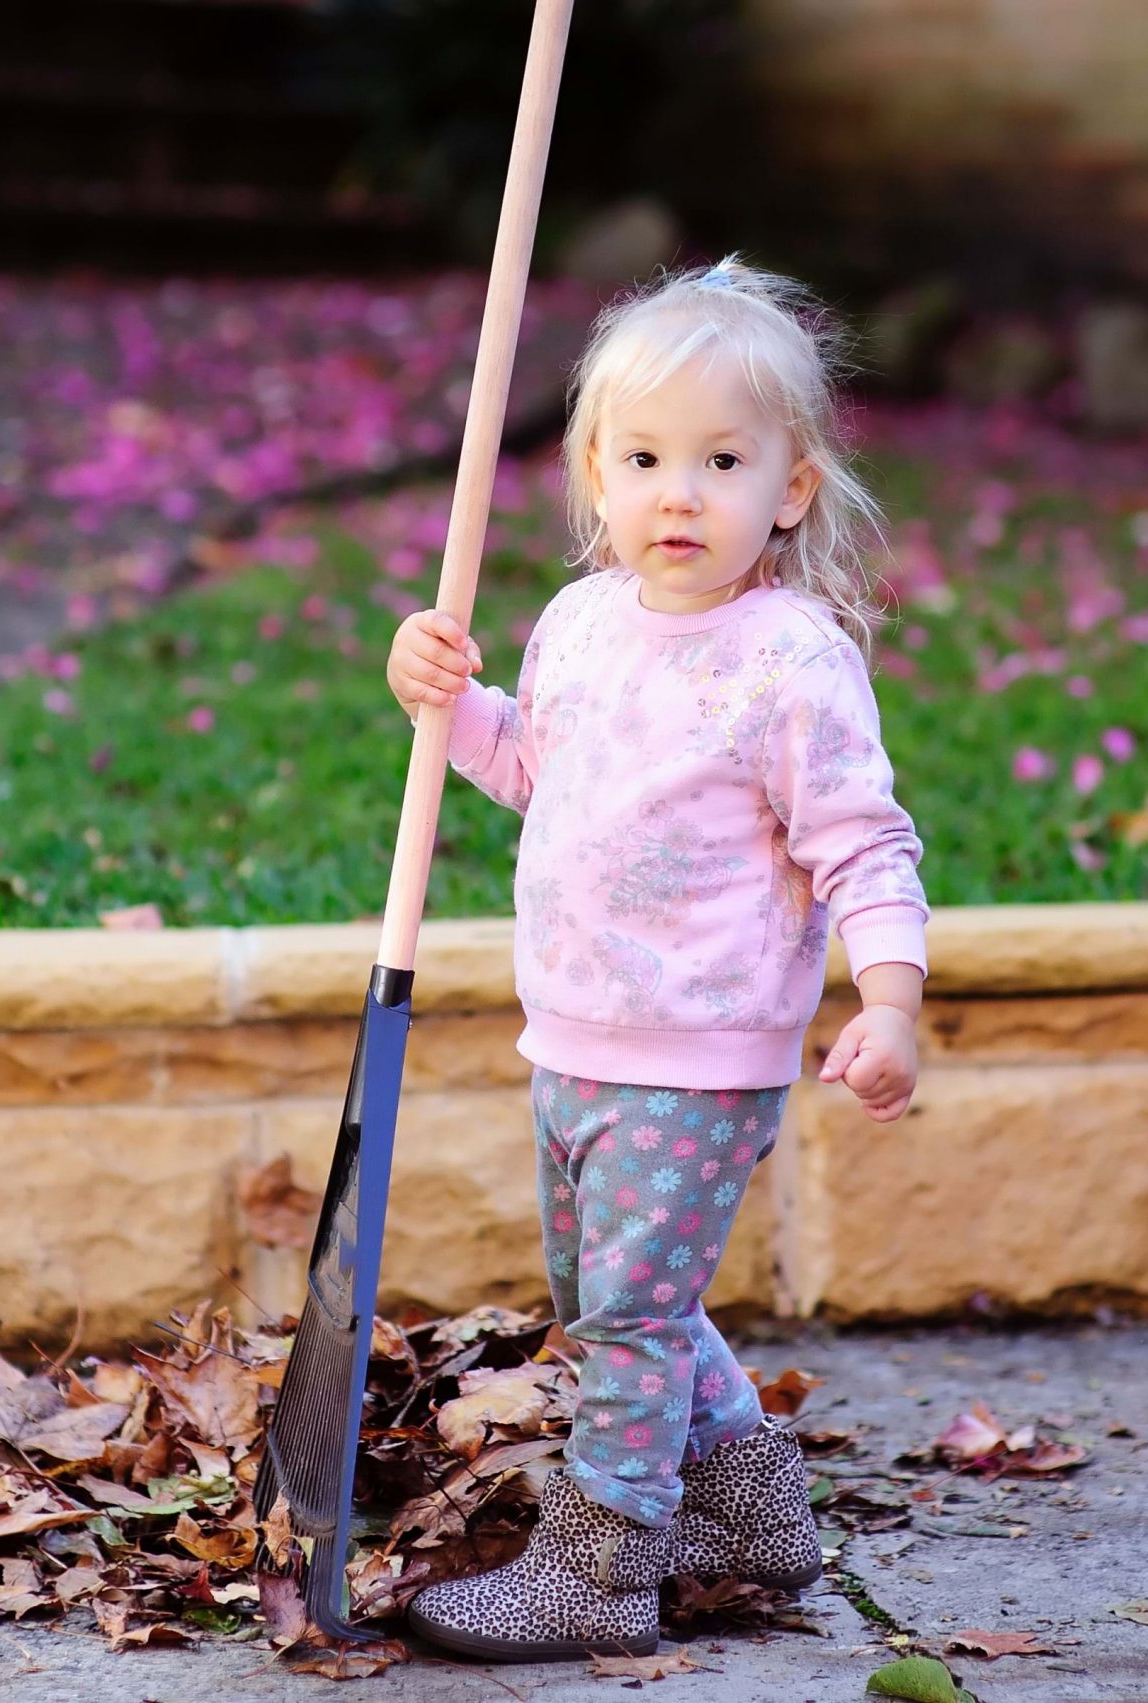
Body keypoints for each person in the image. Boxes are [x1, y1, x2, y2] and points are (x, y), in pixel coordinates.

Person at [385, 257, 929, 1663]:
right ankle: (749, 1511)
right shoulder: (579, 626)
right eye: (643, 459)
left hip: (699, 1050)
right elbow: (541, 776)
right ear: (593, 476)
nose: (678, 494)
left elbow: (863, 844)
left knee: (627, 1317)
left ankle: (601, 1563)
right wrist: (450, 707)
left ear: (791, 489)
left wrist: (890, 998)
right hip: (569, 1032)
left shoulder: (792, 661)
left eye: (721, 460)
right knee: (617, 1301)